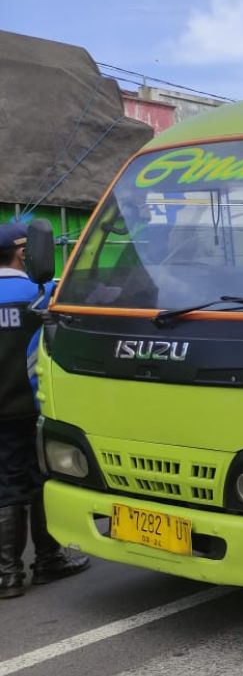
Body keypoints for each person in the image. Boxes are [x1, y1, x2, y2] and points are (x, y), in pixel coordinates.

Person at [1, 222, 90, 599]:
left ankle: (13, 571)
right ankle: (38, 563)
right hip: (29, 408)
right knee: (37, 481)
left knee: (7, 482)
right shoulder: (42, 295)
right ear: (25, 253)